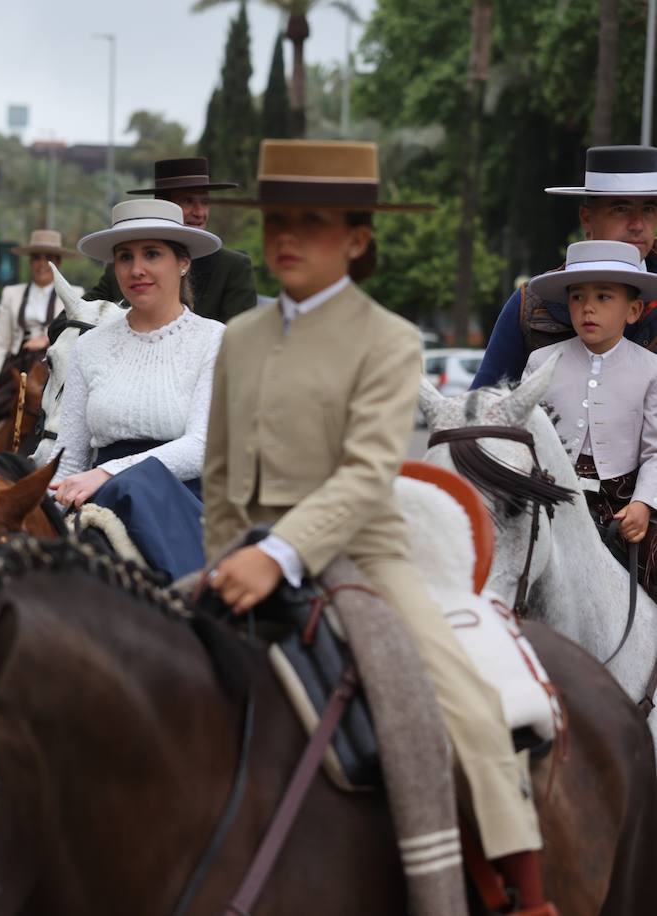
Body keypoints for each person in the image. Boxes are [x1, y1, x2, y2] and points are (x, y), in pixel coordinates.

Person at [203, 140, 555, 915]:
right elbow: (223, 478)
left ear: (357, 240)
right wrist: (227, 554)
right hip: (246, 549)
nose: (288, 237)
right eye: (277, 221)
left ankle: (519, 893)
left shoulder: (392, 342)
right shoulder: (239, 340)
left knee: (466, 702)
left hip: (365, 557)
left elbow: (366, 477)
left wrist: (282, 555)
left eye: (313, 221)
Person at [49, 200, 223, 583]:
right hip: (99, 503)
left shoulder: (215, 339)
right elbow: (70, 460)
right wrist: (37, 511)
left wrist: (108, 472)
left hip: (186, 504)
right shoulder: (89, 347)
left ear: (183, 262)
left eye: (152, 254)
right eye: (125, 256)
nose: (136, 268)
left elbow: (201, 445)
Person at [522, 240, 657, 596]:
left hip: (622, 504)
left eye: (604, 297)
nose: (588, 309)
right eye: (578, 297)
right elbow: (523, 435)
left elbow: (655, 452)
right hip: (550, 495)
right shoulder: (541, 363)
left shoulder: (651, 370)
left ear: (633, 310)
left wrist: (643, 503)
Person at [472, 145, 657, 388]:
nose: (637, 224)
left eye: (649, 209)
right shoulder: (532, 304)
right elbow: (482, 406)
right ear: (586, 218)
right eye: (620, 209)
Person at [83, 157, 256, 322]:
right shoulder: (124, 268)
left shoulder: (232, 267)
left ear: (184, 263)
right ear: (163, 205)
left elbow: (239, 340)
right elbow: (71, 318)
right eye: (187, 201)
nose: (199, 212)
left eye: (205, 202)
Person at [0, 229, 82, 399]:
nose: (42, 264)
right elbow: (1, 342)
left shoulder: (75, 295)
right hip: (17, 365)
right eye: (36, 258)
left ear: (58, 263)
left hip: (55, 370)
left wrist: (46, 339)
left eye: (48, 258)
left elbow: (76, 339)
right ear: (30, 262)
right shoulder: (11, 294)